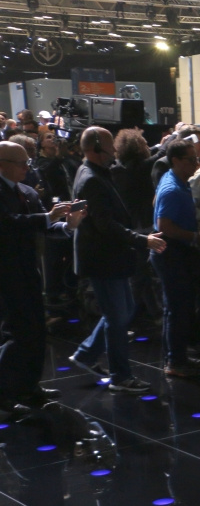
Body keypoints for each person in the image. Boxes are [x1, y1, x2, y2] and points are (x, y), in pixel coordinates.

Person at [70, 127, 167, 394]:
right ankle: (120, 376)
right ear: (95, 148)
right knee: (117, 317)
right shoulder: (91, 178)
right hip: (103, 259)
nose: (114, 151)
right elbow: (106, 226)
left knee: (122, 311)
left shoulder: (93, 173)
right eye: (110, 146)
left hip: (108, 257)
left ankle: (87, 354)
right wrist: (142, 240)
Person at [0, 142, 82, 415]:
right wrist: (47, 217)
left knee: (36, 331)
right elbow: (9, 223)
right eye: (21, 163)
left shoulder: (26, 191)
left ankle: (29, 386)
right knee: (17, 333)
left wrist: (67, 225)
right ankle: (4, 391)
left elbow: (45, 227)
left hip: (29, 270)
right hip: (7, 272)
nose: (27, 168)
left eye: (28, 162)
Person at [152, 140, 200, 378]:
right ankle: (175, 361)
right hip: (172, 252)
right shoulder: (172, 189)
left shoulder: (175, 180)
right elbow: (164, 225)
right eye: (190, 159)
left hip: (175, 251)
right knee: (178, 309)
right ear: (175, 161)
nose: (196, 163)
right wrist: (194, 236)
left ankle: (176, 356)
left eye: (196, 158)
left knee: (176, 308)